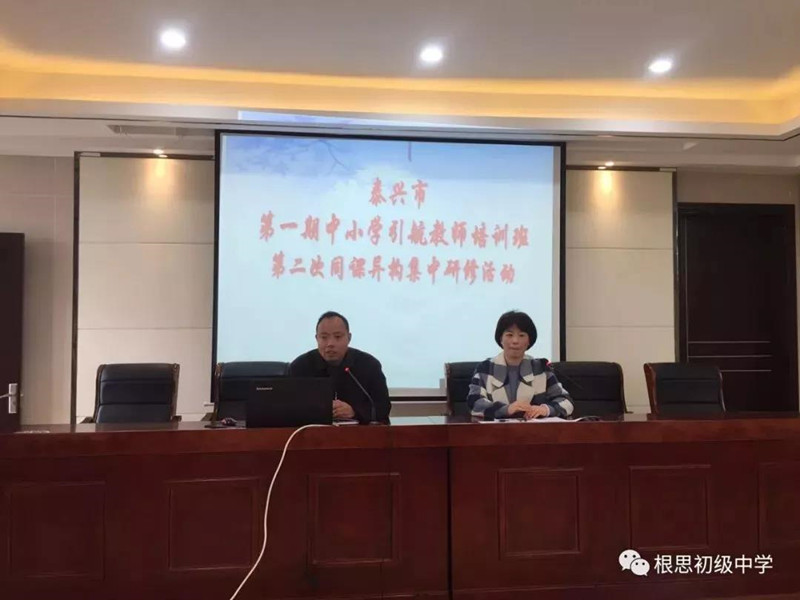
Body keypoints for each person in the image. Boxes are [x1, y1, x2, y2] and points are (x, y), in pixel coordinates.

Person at [468, 310, 573, 420]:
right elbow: (474, 403)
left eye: (522, 335)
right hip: (496, 430)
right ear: (501, 339)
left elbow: (566, 401)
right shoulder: (485, 368)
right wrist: (506, 409)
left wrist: (545, 409)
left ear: (529, 341)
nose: (515, 341)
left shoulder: (540, 368)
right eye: (509, 335)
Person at [289, 311, 391, 424]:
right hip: (312, 432)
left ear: (349, 338)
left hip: (358, 432)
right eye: (324, 337)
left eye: (337, 337)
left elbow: (383, 408)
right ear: (317, 338)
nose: (330, 343)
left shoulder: (369, 365)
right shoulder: (300, 366)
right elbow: (289, 409)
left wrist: (354, 411)